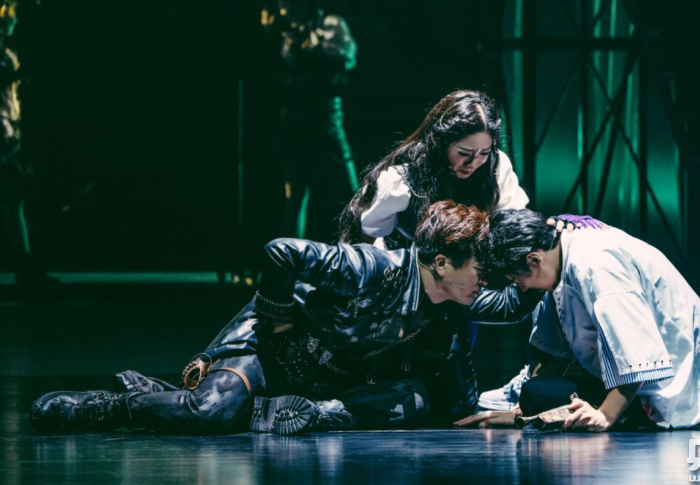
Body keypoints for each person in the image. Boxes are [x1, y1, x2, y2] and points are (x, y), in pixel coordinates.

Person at [29, 201, 544, 435]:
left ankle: (298, 415)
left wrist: (551, 247)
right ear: (442, 263)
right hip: (272, 354)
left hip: (324, 384)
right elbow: (281, 252)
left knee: (413, 399)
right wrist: (275, 320)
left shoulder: (456, 298)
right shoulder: (373, 267)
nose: (487, 281)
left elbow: (514, 302)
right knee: (209, 414)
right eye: (480, 270)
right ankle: (115, 405)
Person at [455, 209, 700, 431]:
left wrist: (605, 415)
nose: (523, 288)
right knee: (541, 392)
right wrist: (525, 410)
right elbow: (553, 357)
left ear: (534, 259)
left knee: (566, 405)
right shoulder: (562, 258)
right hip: (626, 378)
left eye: (519, 280)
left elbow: (638, 353)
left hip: (677, 381)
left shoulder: (595, 263)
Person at [339, 89, 528, 250]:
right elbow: (365, 240)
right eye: (464, 153)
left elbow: (513, 222)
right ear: (443, 144)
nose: (473, 162)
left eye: (484, 152)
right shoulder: (404, 179)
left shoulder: (496, 166)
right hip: (409, 272)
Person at [266, 0, 359, 243]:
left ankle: (362, 249)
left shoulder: (330, 24)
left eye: (288, 4)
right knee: (296, 193)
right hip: (297, 119)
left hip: (326, 117)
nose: (284, 9)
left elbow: (345, 59)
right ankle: (293, 257)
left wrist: (314, 49)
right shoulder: (291, 33)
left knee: (348, 189)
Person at [0, 0, 58, 287]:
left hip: (8, 135)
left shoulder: (8, 54)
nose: (16, 20)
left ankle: (26, 265)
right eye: (12, 15)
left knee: (13, 199)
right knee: (12, 199)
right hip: (4, 136)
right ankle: (26, 266)